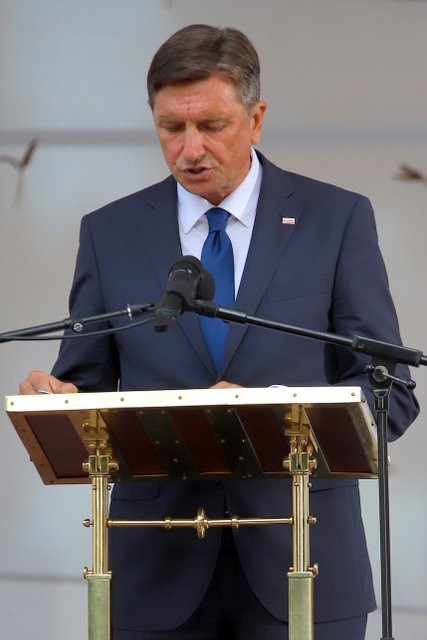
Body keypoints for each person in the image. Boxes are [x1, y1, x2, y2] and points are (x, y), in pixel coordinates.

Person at [20, 24, 419, 640]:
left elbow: (388, 391)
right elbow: (86, 383)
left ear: (255, 120)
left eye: (211, 125)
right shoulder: (110, 232)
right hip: (154, 566)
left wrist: (276, 415)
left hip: (305, 558)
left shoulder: (336, 219)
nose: (190, 149)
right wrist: (60, 399)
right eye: (171, 128)